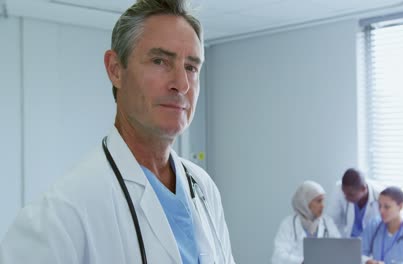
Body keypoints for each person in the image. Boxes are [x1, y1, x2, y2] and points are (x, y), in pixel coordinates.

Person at [0, 0, 236, 263]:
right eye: (160, 61)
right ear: (115, 70)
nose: (181, 84)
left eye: (191, 67)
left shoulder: (202, 188)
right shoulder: (65, 211)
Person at [271, 181, 340, 264]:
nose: (323, 205)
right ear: (305, 202)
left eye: (323, 201)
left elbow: (339, 252)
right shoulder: (288, 224)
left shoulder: (328, 223)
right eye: (319, 201)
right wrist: (302, 262)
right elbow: (277, 257)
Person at [362, 186, 403, 264]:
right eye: (379, 206)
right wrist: (367, 261)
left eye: (387, 207)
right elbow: (358, 254)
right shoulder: (374, 226)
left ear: (400, 206)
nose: (381, 211)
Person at [328, 168, 383, 238]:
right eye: (344, 193)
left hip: (372, 242)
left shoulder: (380, 195)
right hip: (348, 242)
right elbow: (331, 221)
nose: (346, 197)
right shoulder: (339, 189)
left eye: (350, 195)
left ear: (363, 189)